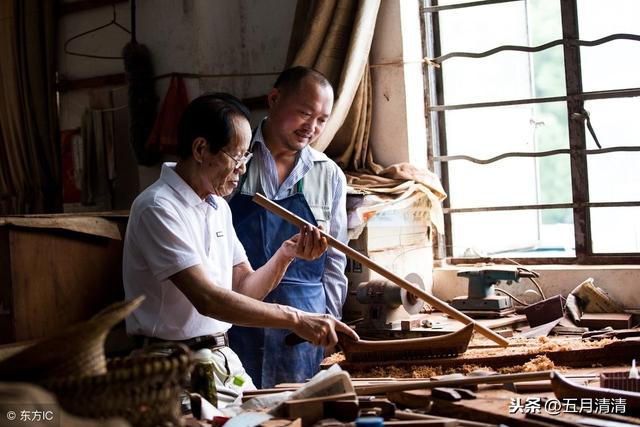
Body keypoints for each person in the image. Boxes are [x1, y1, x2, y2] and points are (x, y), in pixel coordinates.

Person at [122, 92, 358, 407]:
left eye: (247, 158)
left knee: (274, 413)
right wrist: (295, 318)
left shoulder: (218, 206)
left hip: (220, 358)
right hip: (169, 365)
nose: (242, 169)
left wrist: (285, 255)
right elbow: (208, 299)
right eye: (237, 157)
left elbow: (244, 288)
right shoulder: (158, 207)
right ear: (201, 149)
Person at [228, 67, 348, 388]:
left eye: (322, 119)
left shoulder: (329, 175)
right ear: (274, 99)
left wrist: (331, 324)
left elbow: (336, 265)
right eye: (304, 113)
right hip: (239, 320)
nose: (312, 127)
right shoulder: (233, 161)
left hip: (302, 331)